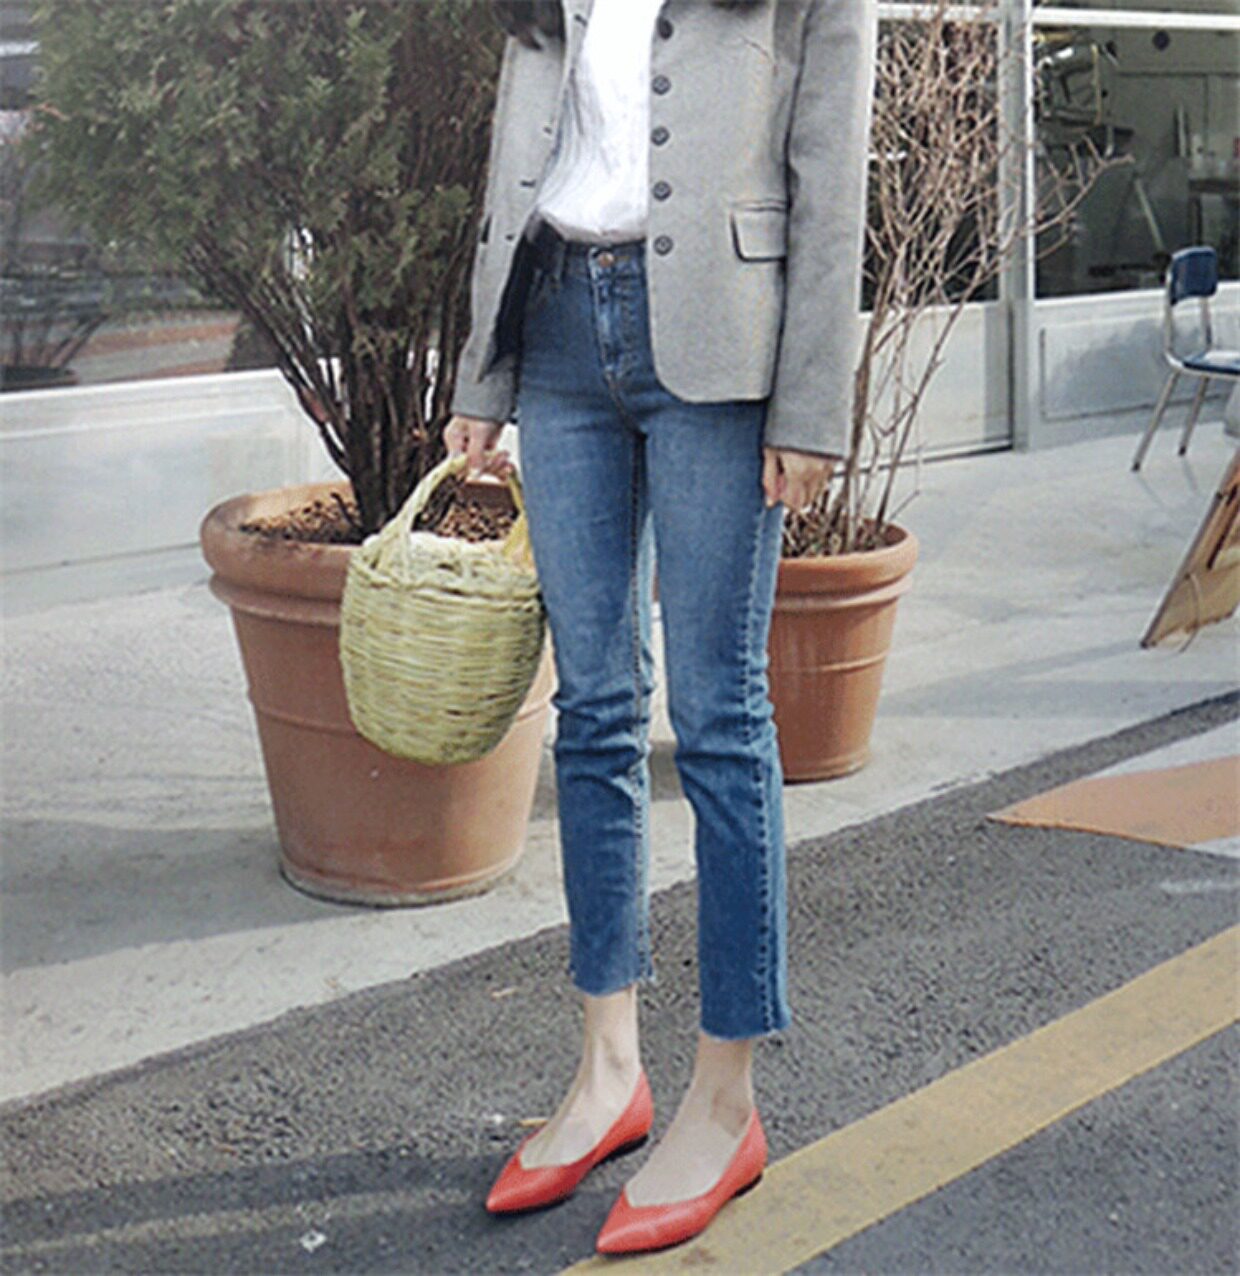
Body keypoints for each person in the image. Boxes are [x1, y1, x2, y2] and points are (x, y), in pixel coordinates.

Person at [443, 0, 877, 1255]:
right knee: (592, 713)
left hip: (721, 345)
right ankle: (607, 1071)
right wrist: (483, 372)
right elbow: (517, 154)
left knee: (721, 717)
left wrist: (812, 406)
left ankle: (725, 1100)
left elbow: (831, 180)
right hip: (559, 330)